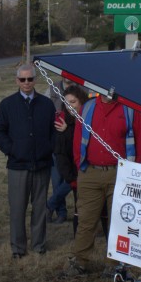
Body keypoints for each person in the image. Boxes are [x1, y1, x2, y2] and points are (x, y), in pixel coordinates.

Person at [64, 90, 141, 277]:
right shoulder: (88, 107)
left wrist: (137, 173)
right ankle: (79, 262)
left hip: (120, 174)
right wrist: (81, 165)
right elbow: (78, 138)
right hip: (90, 173)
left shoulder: (131, 110)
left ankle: (115, 265)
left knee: (117, 222)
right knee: (86, 220)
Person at [0, 64, 56, 258]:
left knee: (40, 208)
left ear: (35, 80)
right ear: (16, 81)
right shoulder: (7, 104)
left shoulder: (46, 104)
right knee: (18, 208)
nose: (26, 83)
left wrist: (47, 148)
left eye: (30, 79)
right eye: (22, 79)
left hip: (42, 164)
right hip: (18, 166)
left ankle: (39, 245)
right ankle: (18, 248)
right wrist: (12, 149)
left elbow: (54, 132)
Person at [48, 85, 87, 232]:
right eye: (67, 102)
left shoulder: (86, 119)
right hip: (72, 169)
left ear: (81, 102)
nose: (70, 106)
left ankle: (50, 205)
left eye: (73, 102)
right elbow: (62, 151)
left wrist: (68, 129)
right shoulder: (63, 120)